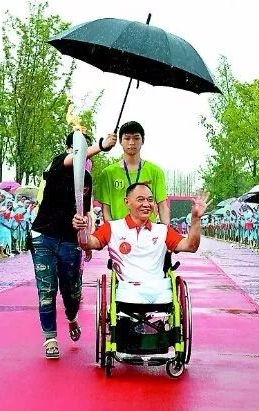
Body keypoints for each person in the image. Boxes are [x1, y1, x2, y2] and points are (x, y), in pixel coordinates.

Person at [31, 130, 117, 359]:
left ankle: (71, 316)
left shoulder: (86, 179)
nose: (85, 155)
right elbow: (76, 159)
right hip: (44, 237)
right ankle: (50, 338)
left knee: (72, 291)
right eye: (80, 149)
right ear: (70, 149)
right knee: (47, 290)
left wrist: (85, 238)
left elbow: (84, 212)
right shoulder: (58, 162)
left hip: (70, 241)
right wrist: (102, 145)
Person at [72, 183, 209, 305]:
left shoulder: (163, 230)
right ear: (127, 202)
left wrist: (196, 219)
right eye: (140, 199)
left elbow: (191, 246)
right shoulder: (112, 228)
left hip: (159, 291)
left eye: (150, 200)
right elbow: (87, 244)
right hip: (127, 292)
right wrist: (81, 229)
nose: (146, 204)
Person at [96, 121, 170, 224]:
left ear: (142, 141)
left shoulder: (155, 172)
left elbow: (163, 207)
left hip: (147, 231)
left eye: (136, 138)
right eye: (127, 138)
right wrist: (112, 231)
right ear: (120, 141)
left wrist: (166, 231)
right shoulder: (108, 173)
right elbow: (106, 210)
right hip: (118, 232)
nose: (131, 142)